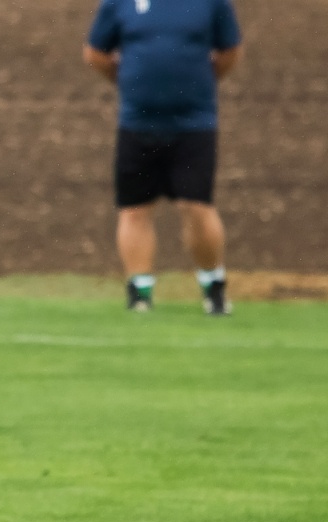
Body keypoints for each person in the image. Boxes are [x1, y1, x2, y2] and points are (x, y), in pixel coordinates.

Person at [84, 0, 242, 314]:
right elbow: (96, 53)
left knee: (196, 205)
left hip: (194, 124)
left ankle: (213, 286)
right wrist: (130, 81)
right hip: (137, 124)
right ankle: (139, 292)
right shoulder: (120, 4)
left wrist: (197, 86)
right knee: (135, 209)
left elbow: (229, 51)